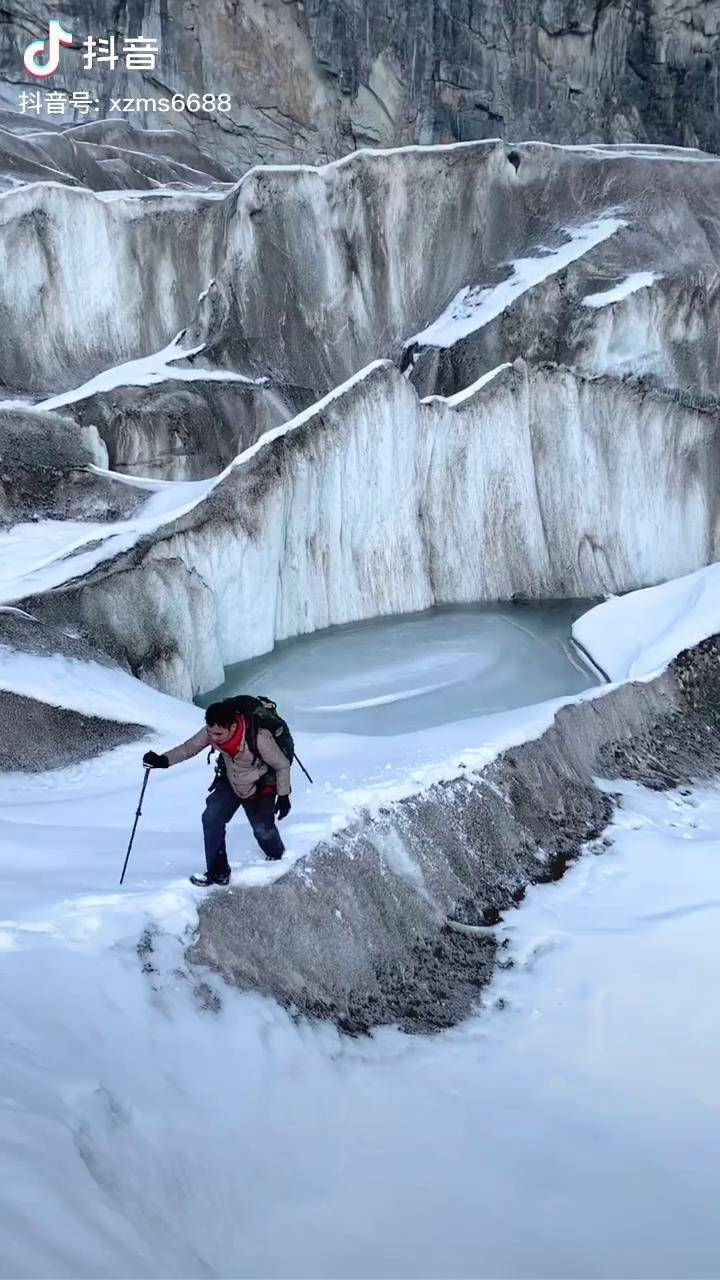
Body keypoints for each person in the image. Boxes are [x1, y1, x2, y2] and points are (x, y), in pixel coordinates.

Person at [143, 700, 292, 887]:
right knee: (211, 817)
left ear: (233, 726)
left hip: (259, 786)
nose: (214, 737)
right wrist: (162, 760)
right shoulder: (212, 731)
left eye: (219, 734)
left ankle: (277, 856)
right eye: (211, 732)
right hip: (230, 781)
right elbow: (188, 748)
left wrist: (284, 796)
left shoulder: (259, 737)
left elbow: (282, 764)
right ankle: (218, 872)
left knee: (263, 830)